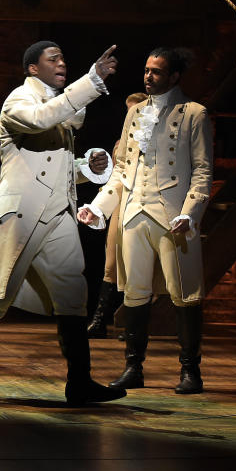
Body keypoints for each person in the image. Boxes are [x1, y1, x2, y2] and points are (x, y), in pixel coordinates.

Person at [0, 40, 126, 405]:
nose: (61, 62)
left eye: (63, 57)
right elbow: (42, 119)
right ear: (32, 68)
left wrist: (88, 168)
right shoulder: (18, 101)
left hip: (58, 214)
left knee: (73, 294)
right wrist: (91, 81)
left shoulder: (59, 109)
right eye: (52, 58)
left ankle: (80, 382)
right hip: (21, 217)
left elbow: (55, 170)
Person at [78, 47, 213, 394]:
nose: (148, 76)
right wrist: (100, 206)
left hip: (173, 215)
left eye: (156, 71)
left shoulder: (194, 114)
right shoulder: (136, 112)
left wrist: (191, 211)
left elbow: (202, 169)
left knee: (185, 293)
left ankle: (190, 371)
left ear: (175, 76)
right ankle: (133, 368)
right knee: (135, 293)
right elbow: (122, 168)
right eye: (146, 69)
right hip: (135, 212)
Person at [87, 91, 148, 339]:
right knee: (110, 265)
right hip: (119, 207)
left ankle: (131, 323)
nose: (129, 116)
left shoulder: (151, 139)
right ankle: (100, 320)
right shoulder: (121, 142)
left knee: (137, 268)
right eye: (127, 111)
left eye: (135, 110)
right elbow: (115, 178)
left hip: (141, 206)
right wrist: (101, 208)